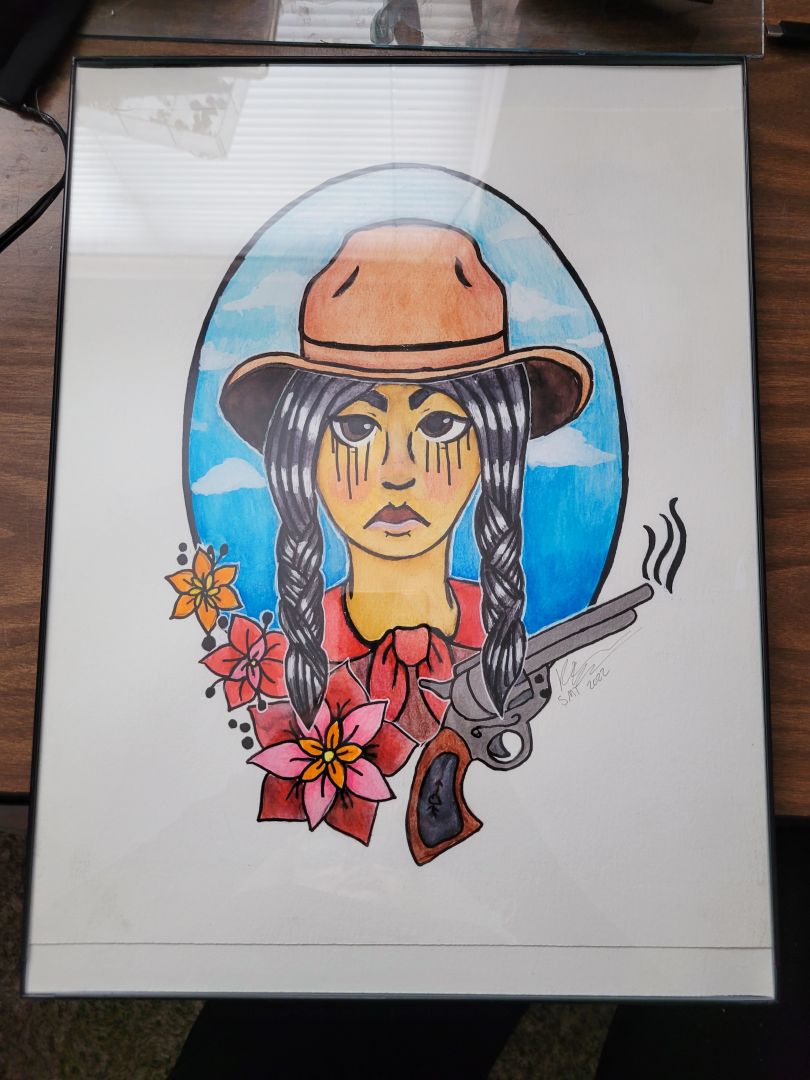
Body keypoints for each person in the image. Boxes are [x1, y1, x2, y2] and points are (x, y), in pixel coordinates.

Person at [220, 219, 592, 751]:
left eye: (439, 425)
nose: (398, 472)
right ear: (306, 449)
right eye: (356, 428)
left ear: (490, 448)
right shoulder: (279, 662)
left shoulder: (510, 638)